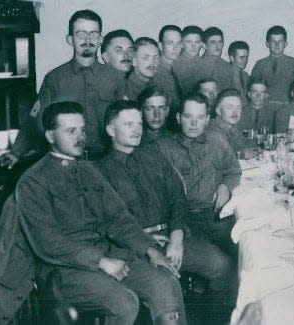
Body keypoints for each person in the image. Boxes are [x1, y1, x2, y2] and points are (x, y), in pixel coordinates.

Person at [16, 101, 185, 325]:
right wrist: (101, 261)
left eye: (82, 129)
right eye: (70, 131)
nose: (80, 136)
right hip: (64, 271)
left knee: (165, 282)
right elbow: (48, 242)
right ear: (49, 136)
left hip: (109, 255)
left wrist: (150, 249)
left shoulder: (88, 170)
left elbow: (118, 219)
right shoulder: (33, 181)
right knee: (125, 302)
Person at [98, 100, 236, 323]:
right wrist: (145, 242)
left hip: (172, 239)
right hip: (134, 249)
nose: (137, 129)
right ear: (111, 130)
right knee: (167, 284)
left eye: (139, 123)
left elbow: (177, 198)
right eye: (128, 124)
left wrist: (177, 237)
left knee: (224, 267)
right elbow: (107, 223)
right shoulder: (99, 172)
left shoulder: (153, 157)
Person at [2, 9, 127, 167]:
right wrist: (16, 152)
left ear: (100, 39)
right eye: (81, 34)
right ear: (70, 39)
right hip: (66, 165)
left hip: (106, 163)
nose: (88, 39)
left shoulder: (115, 78)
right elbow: (34, 122)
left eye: (93, 34)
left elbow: (126, 121)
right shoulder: (54, 79)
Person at [155, 94, 241, 257]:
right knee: (218, 262)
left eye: (200, 117)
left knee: (244, 250)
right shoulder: (163, 148)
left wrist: (225, 186)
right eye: (188, 117)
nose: (194, 123)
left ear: (208, 119)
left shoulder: (217, 140)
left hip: (216, 216)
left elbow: (233, 170)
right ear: (179, 118)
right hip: (185, 222)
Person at [251, 25, 294, 104]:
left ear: (285, 43)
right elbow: (252, 90)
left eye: (280, 41)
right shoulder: (260, 65)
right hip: (265, 108)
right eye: (273, 41)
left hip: (287, 108)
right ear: (267, 44)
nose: (277, 45)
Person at [206, 89, 245, 156]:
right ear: (218, 111)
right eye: (230, 108)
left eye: (238, 108)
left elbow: (240, 148)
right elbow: (224, 158)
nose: (235, 112)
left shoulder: (233, 126)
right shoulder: (213, 131)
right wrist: (243, 154)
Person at [155, 25, 183, 114]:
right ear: (160, 45)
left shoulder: (171, 68)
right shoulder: (157, 72)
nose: (175, 47)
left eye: (178, 43)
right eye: (170, 43)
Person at [172, 25, 204, 95]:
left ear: (201, 44)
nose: (193, 46)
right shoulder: (174, 64)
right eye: (189, 42)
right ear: (182, 44)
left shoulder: (205, 64)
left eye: (197, 42)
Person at [199, 27, 233, 91]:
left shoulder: (228, 67)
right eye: (213, 42)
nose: (217, 46)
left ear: (223, 44)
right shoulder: (197, 66)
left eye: (220, 42)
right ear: (204, 45)